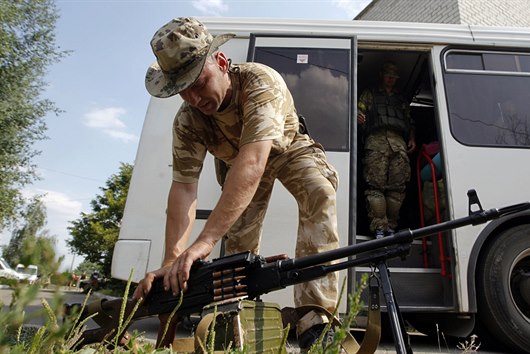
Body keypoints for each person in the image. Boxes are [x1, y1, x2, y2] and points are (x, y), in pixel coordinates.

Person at [132, 17, 340, 349]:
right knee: (238, 248)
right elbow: (184, 189)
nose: (195, 98)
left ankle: (315, 319)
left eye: (199, 84)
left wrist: (202, 244)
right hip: (238, 165)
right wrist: (172, 261)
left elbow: (255, 160)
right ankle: (237, 324)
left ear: (222, 62)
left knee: (319, 192)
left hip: (286, 149)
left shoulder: (260, 81)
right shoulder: (188, 121)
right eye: (182, 91)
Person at [357, 61, 416, 238]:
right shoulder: (370, 94)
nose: (391, 80)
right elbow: (358, 111)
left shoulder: (401, 99)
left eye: (394, 77)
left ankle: (391, 227)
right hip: (376, 142)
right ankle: (379, 227)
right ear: (382, 76)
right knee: (375, 186)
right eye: (388, 76)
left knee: (397, 189)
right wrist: (358, 116)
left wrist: (412, 138)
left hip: (399, 144)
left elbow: (409, 121)